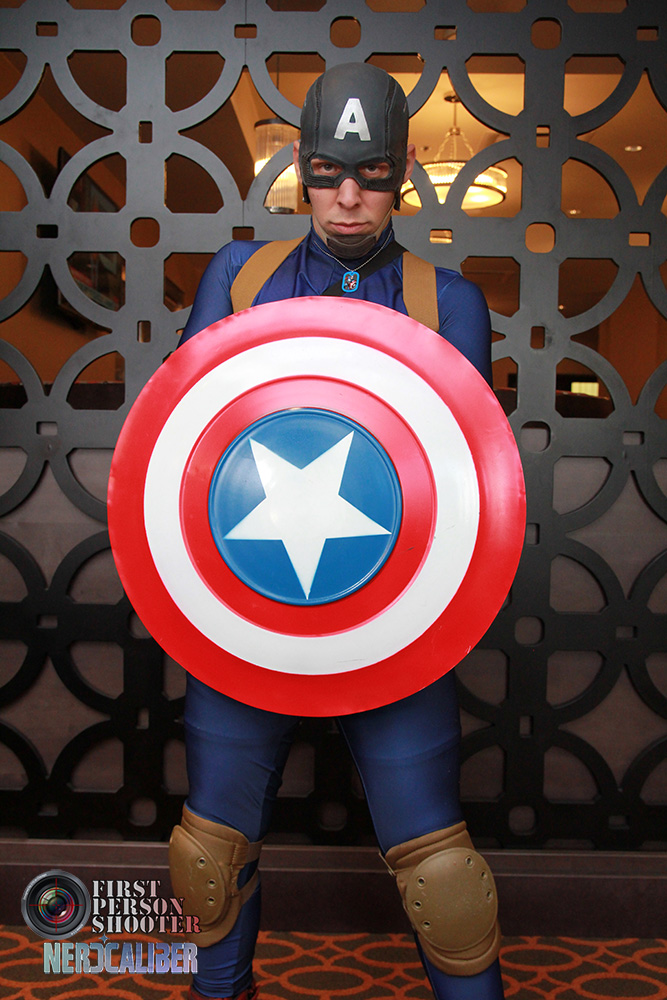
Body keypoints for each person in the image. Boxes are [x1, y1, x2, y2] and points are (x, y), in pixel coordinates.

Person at [170, 62, 506, 1000]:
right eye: (326, 173)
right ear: (300, 168)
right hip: (244, 613)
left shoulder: (447, 301)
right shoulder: (240, 276)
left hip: (395, 622)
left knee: (443, 877)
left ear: (403, 173)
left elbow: (466, 485)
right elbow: (186, 444)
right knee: (208, 856)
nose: (348, 197)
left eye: (370, 174)